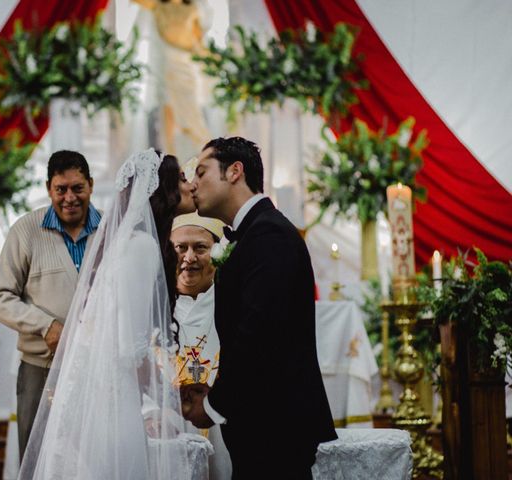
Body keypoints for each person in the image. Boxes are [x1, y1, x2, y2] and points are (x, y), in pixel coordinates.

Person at [18, 149, 217, 480]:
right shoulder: (141, 248)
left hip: (106, 402)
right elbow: (131, 350)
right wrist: (175, 402)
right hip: (116, 409)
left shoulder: (130, 244)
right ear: (162, 190)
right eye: (181, 179)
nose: (190, 185)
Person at [181, 137, 337, 479]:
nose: (193, 184)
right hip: (261, 427)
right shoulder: (254, 234)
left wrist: (212, 405)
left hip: (276, 429)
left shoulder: (270, 235)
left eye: (202, 172)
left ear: (235, 172)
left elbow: (258, 336)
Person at [0, 150, 100, 461]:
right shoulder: (25, 231)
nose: (69, 198)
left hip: (97, 369)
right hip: (41, 369)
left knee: (90, 459)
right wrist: (46, 326)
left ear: (90, 184)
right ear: (48, 187)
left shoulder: (109, 229)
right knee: (37, 459)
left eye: (77, 188)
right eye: (60, 189)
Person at [171, 212, 232, 479]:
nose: (189, 257)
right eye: (180, 248)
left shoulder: (234, 304)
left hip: (224, 426)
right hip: (170, 431)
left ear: (218, 254)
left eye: (200, 247)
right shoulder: (155, 308)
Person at [132, 0, 211, 157]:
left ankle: (204, 156)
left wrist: (212, 61)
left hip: (185, 66)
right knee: (168, 113)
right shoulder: (158, 7)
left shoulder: (192, 9)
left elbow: (199, 42)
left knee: (191, 115)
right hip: (166, 67)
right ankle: (172, 160)